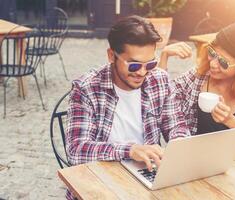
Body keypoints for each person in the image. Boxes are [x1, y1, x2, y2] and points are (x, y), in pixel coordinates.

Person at [65, 15, 190, 199]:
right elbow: (76, 151)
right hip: (100, 182)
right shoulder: (86, 89)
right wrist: (130, 150)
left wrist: (179, 144)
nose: (142, 72)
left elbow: (176, 125)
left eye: (150, 63)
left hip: (146, 178)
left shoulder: (159, 79)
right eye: (133, 65)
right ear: (111, 56)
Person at [159, 20, 235, 150]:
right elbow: (163, 97)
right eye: (212, 53)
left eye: (223, 62)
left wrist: (230, 120)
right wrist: (164, 56)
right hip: (195, 154)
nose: (213, 64)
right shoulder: (199, 75)